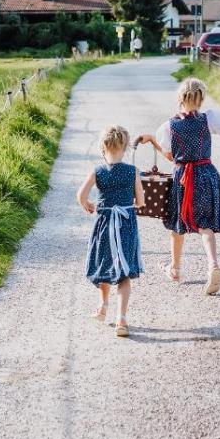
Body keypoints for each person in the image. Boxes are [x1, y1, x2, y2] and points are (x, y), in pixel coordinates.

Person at [137, 78, 220, 295]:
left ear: (180, 98)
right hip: (206, 175)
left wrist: (152, 140)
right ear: (201, 99)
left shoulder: (168, 127)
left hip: (183, 179)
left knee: (178, 224)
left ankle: (175, 269)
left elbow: (171, 157)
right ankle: (213, 265)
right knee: (205, 224)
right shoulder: (209, 119)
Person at [78, 125, 145, 336]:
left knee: (105, 264)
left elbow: (81, 195)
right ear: (124, 147)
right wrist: (130, 204)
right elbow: (141, 201)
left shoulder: (97, 171)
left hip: (104, 224)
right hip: (125, 224)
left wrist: (88, 205)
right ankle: (121, 319)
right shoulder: (132, 171)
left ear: (103, 147)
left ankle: (103, 306)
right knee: (124, 272)